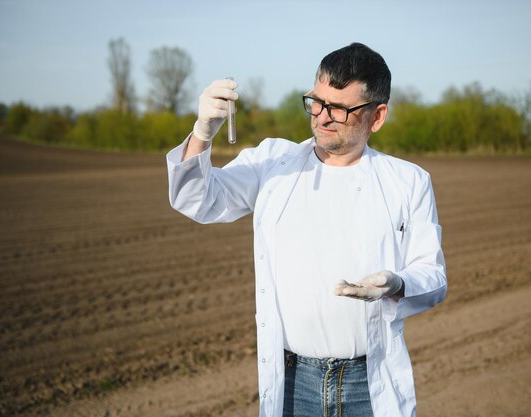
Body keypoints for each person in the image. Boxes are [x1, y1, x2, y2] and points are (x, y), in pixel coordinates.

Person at [166, 42, 446, 417]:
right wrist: (202, 132)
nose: (322, 117)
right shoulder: (272, 163)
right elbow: (197, 200)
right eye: (316, 102)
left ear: (377, 117)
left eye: (340, 109)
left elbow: (433, 275)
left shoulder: (408, 182)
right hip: (294, 385)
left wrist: (397, 283)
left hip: (368, 384)